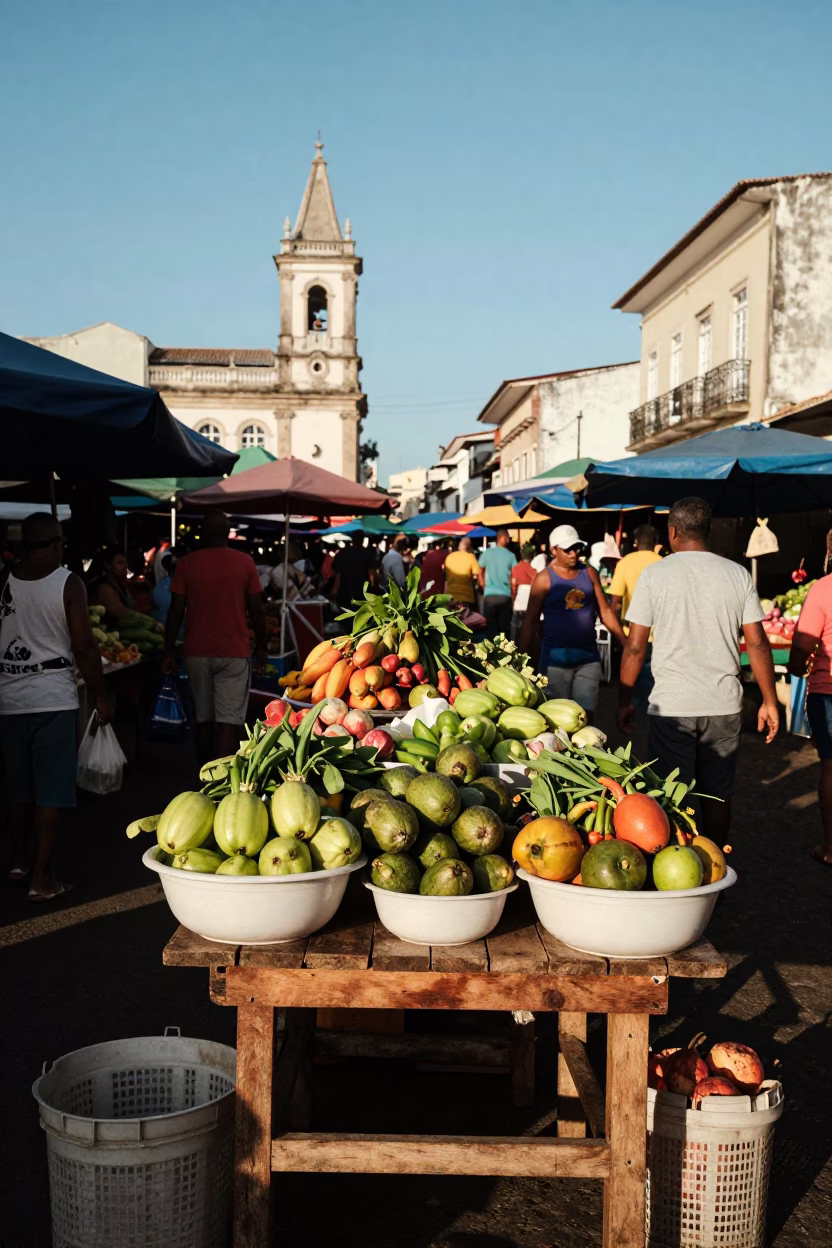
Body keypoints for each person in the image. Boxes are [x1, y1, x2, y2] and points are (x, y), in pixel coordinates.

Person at [618, 497, 779, 844]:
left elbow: (635, 646)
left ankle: (682, 875)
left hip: (672, 707)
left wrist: (624, 699)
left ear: (672, 531)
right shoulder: (736, 574)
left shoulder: (655, 575)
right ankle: (717, 863)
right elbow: (758, 644)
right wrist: (769, 700)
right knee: (718, 793)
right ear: (710, 530)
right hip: (723, 703)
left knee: (671, 795)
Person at [0, 513, 111, 902]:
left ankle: (17, 860)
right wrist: (99, 694)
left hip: (8, 699)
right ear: (54, 544)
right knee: (52, 790)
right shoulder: (69, 583)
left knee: (18, 788)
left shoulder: (4, 579)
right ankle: (42, 878)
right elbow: (83, 644)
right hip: (52, 699)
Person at [163, 511, 268, 765]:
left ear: (201, 533)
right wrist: (262, 646)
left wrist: (168, 651)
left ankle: (203, 772)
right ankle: (221, 777)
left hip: (196, 651)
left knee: (203, 717)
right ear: (227, 532)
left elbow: (176, 610)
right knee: (229, 720)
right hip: (234, 651)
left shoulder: (187, 563)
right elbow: (256, 608)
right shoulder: (245, 562)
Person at [519, 524, 625, 718]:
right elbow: (529, 623)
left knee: (585, 716)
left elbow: (606, 612)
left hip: (588, 659)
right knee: (558, 718)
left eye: (576, 548)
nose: (573, 553)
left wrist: (623, 640)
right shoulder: (543, 580)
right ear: (553, 550)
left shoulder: (589, 573)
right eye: (567, 549)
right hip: (554, 662)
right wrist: (521, 663)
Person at [788, 529, 832, 865]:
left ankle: (831, 848)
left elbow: (803, 645)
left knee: (830, 768)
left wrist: (798, 668)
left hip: (828, 692)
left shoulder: (823, 589)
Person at [609, 524, 662, 705]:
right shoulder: (662, 562)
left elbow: (615, 603)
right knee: (655, 681)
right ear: (656, 542)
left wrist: (618, 636)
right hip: (659, 634)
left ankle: (636, 714)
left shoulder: (625, 562)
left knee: (634, 679)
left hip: (631, 632)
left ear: (636, 543)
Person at [477, 529, 516, 639]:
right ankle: (505, 654)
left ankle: (491, 654)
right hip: (505, 596)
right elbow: (514, 577)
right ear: (503, 538)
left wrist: (483, 586)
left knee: (490, 629)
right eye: (508, 538)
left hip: (489, 596)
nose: (509, 541)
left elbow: (479, 571)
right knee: (504, 631)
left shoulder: (487, 553)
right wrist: (513, 594)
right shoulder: (511, 556)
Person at [331, 532, 378, 607]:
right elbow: (371, 576)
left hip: (344, 595)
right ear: (362, 540)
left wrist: (334, 592)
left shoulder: (342, 554)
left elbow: (337, 576)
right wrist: (374, 593)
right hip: (362, 596)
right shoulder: (368, 554)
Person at [444, 536, 481, 607]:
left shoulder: (449, 557)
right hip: (466, 597)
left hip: (450, 596)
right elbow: (476, 575)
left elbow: (445, 577)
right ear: (469, 547)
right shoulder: (470, 557)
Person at [510, 543, 537, 640]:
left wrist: (512, 600)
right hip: (530, 606)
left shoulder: (515, 569)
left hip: (518, 605)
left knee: (515, 630)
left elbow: (513, 587)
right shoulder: (534, 571)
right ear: (532, 556)